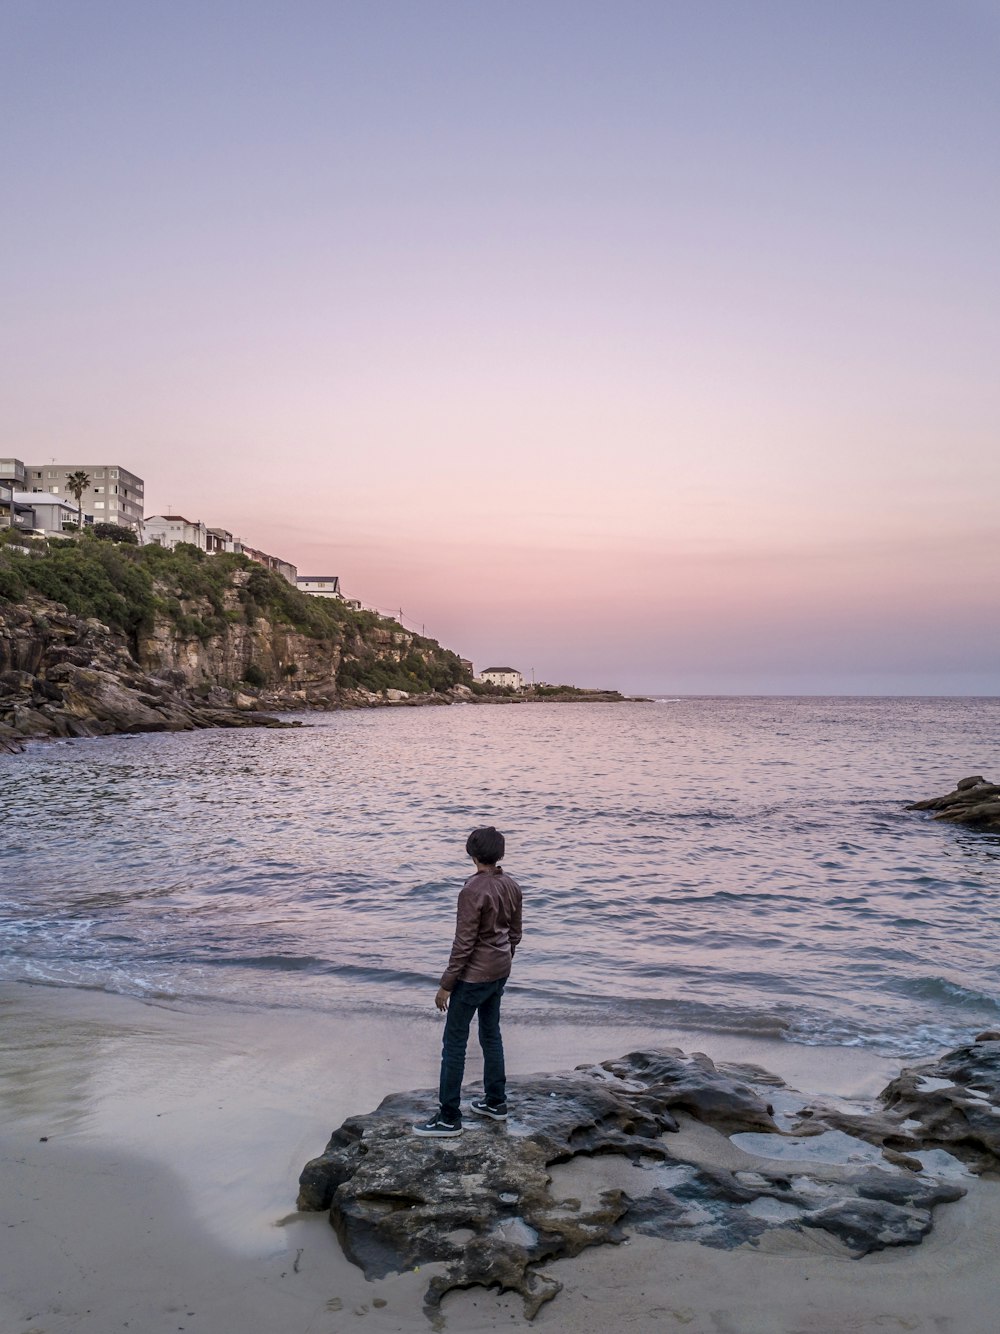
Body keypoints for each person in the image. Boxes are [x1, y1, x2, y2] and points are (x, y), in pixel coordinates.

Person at [412, 826, 523, 1137]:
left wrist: (446, 984)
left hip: (473, 977)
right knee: (491, 1034)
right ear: (499, 854)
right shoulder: (512, 885)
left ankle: (449, 1118)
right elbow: (515, 934)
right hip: (500, 971)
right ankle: (496, 1102)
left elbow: (464, 944)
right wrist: (503, 959)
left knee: (455, 1045)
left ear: (472, 855)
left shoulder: (472, 889)